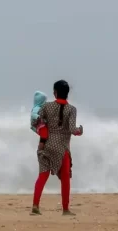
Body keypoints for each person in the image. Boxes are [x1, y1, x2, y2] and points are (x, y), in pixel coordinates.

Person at [31, 80, 83, 216]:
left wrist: (42, 140)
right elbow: (72, 129)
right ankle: (65, 209)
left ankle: (35, 206)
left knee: (42, 176)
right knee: (65, 179)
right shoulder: (72, 109)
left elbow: (39, 122)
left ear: (55, 93)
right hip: (62, 148)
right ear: (67, 93)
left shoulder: (46, 107)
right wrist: (80, 130)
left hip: (47, 145)